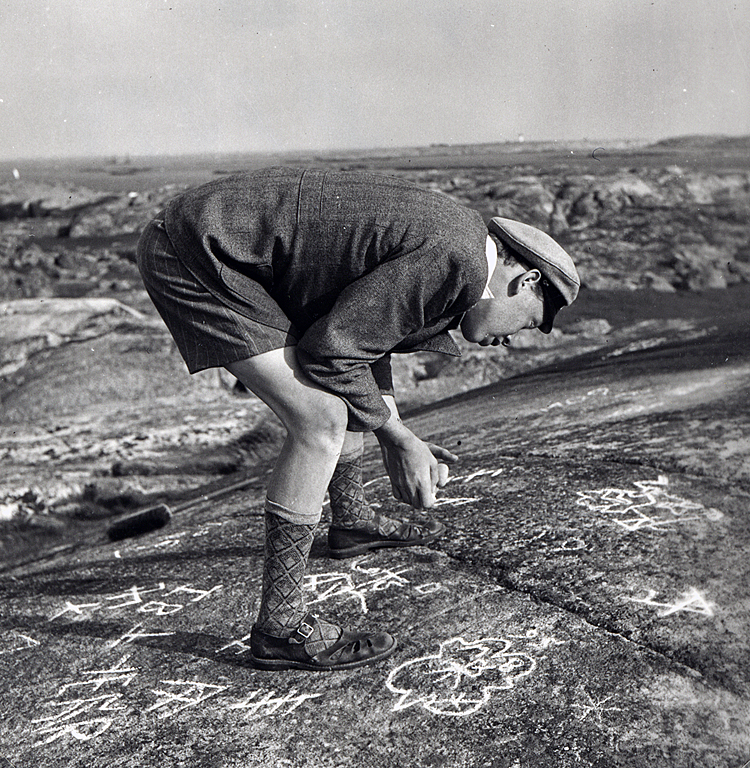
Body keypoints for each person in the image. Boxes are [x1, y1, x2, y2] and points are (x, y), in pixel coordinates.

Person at [136, 166, 579, 671]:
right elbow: (333, 356)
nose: (511, 338)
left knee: (342, 395)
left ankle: (352, 522)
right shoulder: (454, 257)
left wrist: (399, 434)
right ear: (526, 280)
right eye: (528, 322)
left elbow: (368, 344)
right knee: (319, 420)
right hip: (195, 251)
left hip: (221, 244)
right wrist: (398, 438)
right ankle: (280, 628)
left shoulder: (460, 250)